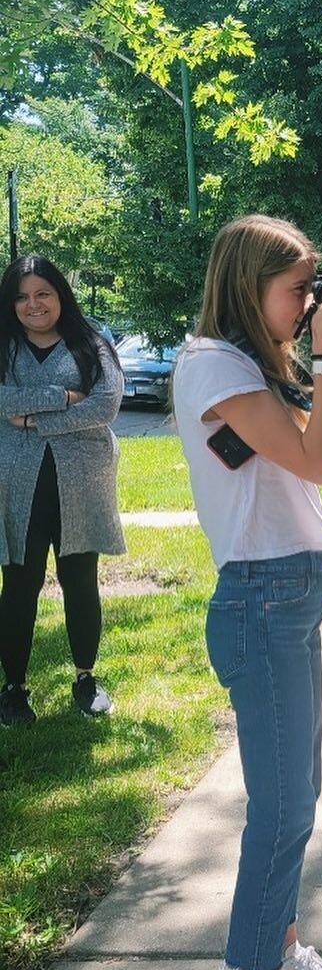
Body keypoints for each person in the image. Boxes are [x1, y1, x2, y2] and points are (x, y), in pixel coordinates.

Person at [171, 214, 322, 970]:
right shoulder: (213, 367)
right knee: (281, 806)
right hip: (261, 599)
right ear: (245, 283)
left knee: (297, 793)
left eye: (312, 289)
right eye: (297, 289)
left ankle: (283, 953)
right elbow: (319, 465)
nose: (308, 304)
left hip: (288, 601)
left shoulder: (259, 371)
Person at [0, 255, 125, 726]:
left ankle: (86, 679)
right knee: (18, 585)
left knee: (80, 580)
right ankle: (12, 689)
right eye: (22, 297)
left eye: (43, 294)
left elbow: (107, 404)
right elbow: (0, 400)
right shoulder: (4, 346)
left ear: (60, 294)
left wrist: (32, 419)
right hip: (16, 485)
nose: (33, 305)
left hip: (81, 484)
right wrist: (62, 396)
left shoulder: (90, 341)